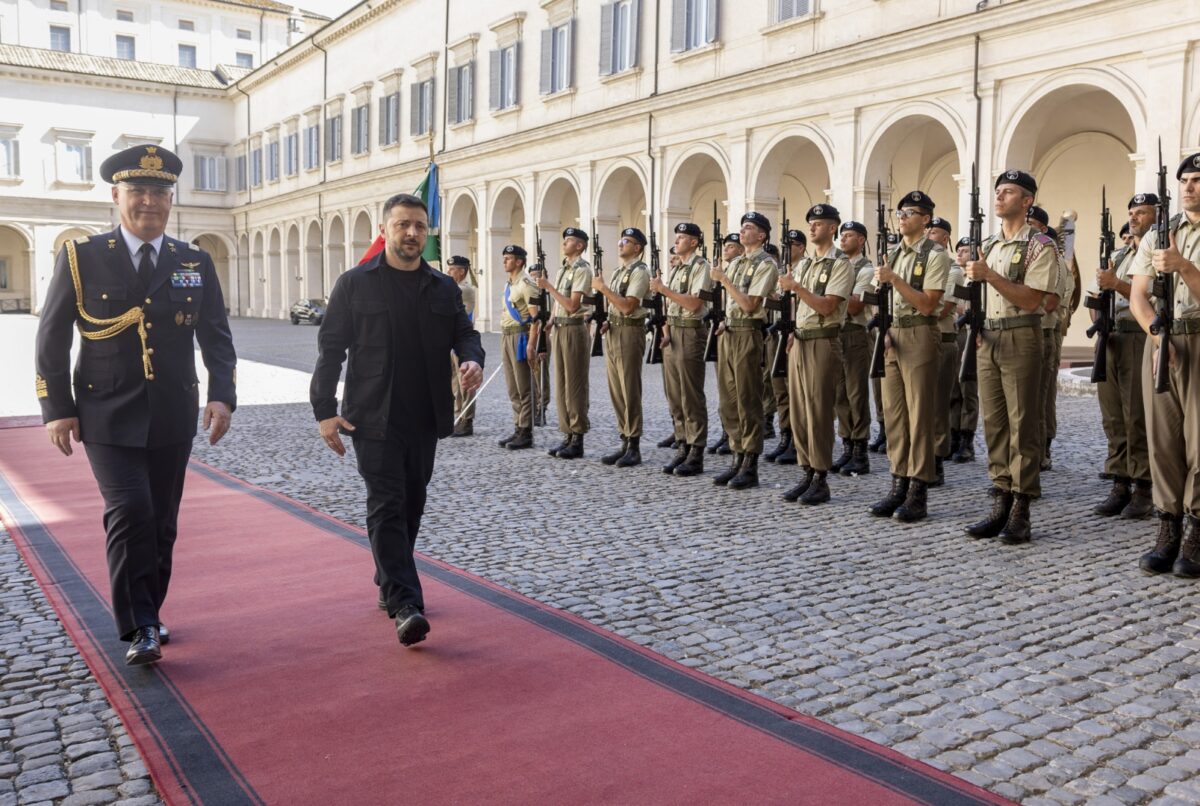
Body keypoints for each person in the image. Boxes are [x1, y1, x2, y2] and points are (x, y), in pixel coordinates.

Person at [35, 145, 237, 666]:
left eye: (160, 193)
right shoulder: (81, 258)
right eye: (139, 192)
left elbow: (216, 335)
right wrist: (57, 407)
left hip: (172, 412)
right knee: (131, 511)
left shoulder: (193, 261)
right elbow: (52, 337)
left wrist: (221, 395)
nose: (149, 202)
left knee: (163, 522)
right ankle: (139, 626)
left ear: (172, 200)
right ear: (116, 196)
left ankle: (150, 609)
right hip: (105, 413)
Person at [311, 193, 483, 648]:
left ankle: (389, 577)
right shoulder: (354, 283)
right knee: (386, 501)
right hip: (371, 415)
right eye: (403, 224)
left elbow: (466, 333)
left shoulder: (442, 287)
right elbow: (330, 350)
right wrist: (324, 411)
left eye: (419, 226)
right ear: (385, 230)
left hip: (424, 414)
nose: (412, 233)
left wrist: (471, 359)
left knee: (412, 501)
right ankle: (407, 602)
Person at [962, 170, 1056, 544]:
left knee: (1023, 424)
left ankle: (1022, 506)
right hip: (990, 338)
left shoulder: (1040, 245)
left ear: (1027, 200)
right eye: (998, 191)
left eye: (1009, 192)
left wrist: (989, 276)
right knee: (995, 423)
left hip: (1021, 334)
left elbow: (1033, 299)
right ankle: (1000, 496)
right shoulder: (989, 243)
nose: (1000, 197)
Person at [1130, 152, 1200, 576]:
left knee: (1199, 442)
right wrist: (1157, 336)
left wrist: (1184, 266)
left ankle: (1196, 528)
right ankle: (1168, 525)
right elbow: (1138, 294)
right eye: (1185, 180)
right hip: (1163, 341)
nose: (1189, 186)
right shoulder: (1161, 232)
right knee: (1163, 440)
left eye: (1197, 179)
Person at [868, 192, 949, 522]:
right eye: (900, 212)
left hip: (919, 333)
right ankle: (898, 481)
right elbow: (882, 298)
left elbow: (929, 304)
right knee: (895, 414)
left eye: (910, 213)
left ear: (926, 219)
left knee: (919, 415)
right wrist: (883, 326)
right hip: (893, 335)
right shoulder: (894, 254)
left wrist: (895, 279)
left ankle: (918, 489)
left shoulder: (935, 254)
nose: (901, 218)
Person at [779, 204, 852, 504]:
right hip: (801, 340)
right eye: (810, 223)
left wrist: (796, 287)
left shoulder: (840, 264)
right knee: (798, 411)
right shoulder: (807, 264)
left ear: (832, 228)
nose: (812, 228)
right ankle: (807, 470)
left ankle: (821, 477)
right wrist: (792, 331)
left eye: (819, 224)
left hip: (824, 341)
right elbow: (800, 307)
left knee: (818, 411)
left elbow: (826, 306)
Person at [1090, 193, 1156, 518]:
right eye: (1131, 211)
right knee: (1113, 416)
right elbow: (1093, 296)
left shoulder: (1157, 256)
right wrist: (1099, 322)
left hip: (1138, 337)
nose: (1134, 217)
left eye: (1142, 212)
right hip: (1111, 337)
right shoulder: (1117, 254)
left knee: (1137, 416)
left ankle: (1143, 486)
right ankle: (1120, 482)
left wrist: (1116, 284)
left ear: (1156, 215)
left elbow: (1152, 298)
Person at [711, 213, 778, 489]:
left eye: (749, 228)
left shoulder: (766, 264)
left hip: (749, 332)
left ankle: (750, 462)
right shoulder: (737, 262)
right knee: (728, 399)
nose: (742, 231)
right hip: (729, 332)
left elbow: (750, 305)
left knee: (748, 398)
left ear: (762, 235)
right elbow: (734, 305)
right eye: (742, 226)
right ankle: (737, 455)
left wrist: (725, 281)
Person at [652, 222, 712, 476]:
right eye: (676, 237)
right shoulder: (677, 268)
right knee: (674, 394)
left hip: (690, 330)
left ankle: (696, 450)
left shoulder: (700, 267)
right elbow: (668, 306)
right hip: (673, 332)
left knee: (690, 394)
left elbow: (694, 303)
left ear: (695, 242)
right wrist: (665, 331)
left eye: (682, 238)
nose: (676, 241)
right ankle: (682, 444)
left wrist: (664, 288)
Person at [594, 227, 651, 467]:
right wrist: (607, 319)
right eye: (620, 240)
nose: (619, 244)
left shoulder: (640, 271)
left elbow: (628, 306)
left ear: (637, 247)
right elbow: (616, 307)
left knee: (629, 388)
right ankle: (624, 440)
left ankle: (634, 445)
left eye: (625, 241)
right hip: (615, 330)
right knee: (616, 389)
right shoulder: (619, 271)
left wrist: (603, 288)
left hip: (630, 330)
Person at [537, 227, 592, 459]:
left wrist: (548, 287)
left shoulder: (582, 269)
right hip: (559, 327)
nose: (564, 243)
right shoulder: (563, 269)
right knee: (561, 383)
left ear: (579, 246)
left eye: (569, 240)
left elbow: (572, 305)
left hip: (573, 328)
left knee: (575, 384)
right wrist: (550, 321)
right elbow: (559, 305)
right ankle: (567, 433)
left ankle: (577, 436)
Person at [830, 220, 873, 476]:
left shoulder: (865, 269)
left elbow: (855, 305)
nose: (843, 239)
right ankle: (846, 445)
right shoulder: (838, 266)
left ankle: (860, 449)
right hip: (837, 333)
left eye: (849, 236)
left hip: (855, 333)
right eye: (842, 235)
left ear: (861, 240)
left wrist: (833, 296)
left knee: (856, 393)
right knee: (840, 394)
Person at [927, 216, 963, 484]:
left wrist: (918, 305)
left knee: (938, 403)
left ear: (946, 238)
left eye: (935, 231)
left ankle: (937, 459)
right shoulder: (921, 264)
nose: (929, 234)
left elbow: (944, 307)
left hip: (943, 338)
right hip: (920, 338)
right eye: (928, 230)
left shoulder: (952, 269)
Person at [765, 229, 806, 465]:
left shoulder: (805, 269)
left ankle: (797, 440)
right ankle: (785, 436)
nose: (787, 249)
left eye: (791, 245)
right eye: (785, 245)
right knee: (779, 388)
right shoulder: (781, 271)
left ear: (801, 247)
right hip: (777, 331)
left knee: (794, 390)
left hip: (794, 333)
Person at [496, 245, 540, 451]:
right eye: (504, 258)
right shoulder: (509, 284)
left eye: (509, 258)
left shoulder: (526, 283)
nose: (505, 261)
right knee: (512, 386)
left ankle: (526, 431)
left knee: (523, 386)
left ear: (520, 261)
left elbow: (535, 318)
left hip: (521, 337)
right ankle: (517, 426)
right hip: (506, 336)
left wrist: (531, 344)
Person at [708, 232, 745, 457]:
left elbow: (748, 304)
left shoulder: (737, 271)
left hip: (744, 331)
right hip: (725, 329)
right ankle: (729, 435)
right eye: (726, 246)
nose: (726, 250)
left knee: (742, 394)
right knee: (726, 393)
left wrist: (722, 279)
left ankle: (745, 449)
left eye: (731, 246)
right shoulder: (726, 271)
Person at [949, 237, 979, 463]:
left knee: (968, 389)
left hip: (972, 334)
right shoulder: (955, 276)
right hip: (957, 333)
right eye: (958, 250)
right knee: (953, 390)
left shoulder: (977, 279)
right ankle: (953, 434)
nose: (960, 254)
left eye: (965, 251)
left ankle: (967, 440)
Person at [447, 256, 477, 437]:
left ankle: (466, 420)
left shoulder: (464, 289)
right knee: (455, 382)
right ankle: (458, 416)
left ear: (462, 271)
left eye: (452, 270)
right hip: (451, 341)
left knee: (465, 381)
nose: (448, 273)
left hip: (462, 341)